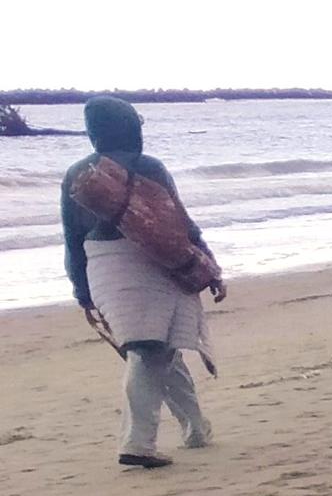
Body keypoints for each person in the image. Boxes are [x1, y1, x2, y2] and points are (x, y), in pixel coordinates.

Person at [61, 97, 218, 469]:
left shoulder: (75, 173)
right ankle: (137, 443)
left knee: (162, 349)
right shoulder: (149, 167)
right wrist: (208, 264)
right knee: (148, 350)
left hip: (101, 264)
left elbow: (71, 238)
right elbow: (179, 222)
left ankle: (196, 428)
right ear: (131, 127)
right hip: (150, 262)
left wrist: (81, 290)